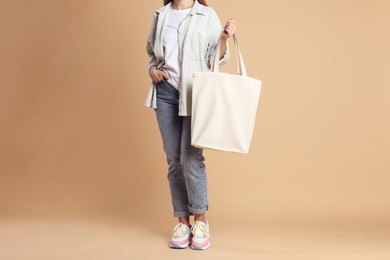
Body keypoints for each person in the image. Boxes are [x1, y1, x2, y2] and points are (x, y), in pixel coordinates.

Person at [144, 0, 237, 250]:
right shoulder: (160, 14)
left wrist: (224, 38)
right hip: (165, 92)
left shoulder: (206, 14)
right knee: (174, 159)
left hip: (195, 93)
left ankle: (201, 222)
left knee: (190, 157)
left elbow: (214, 58)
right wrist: (152, 69)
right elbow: (152, 53)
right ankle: (182, 223)